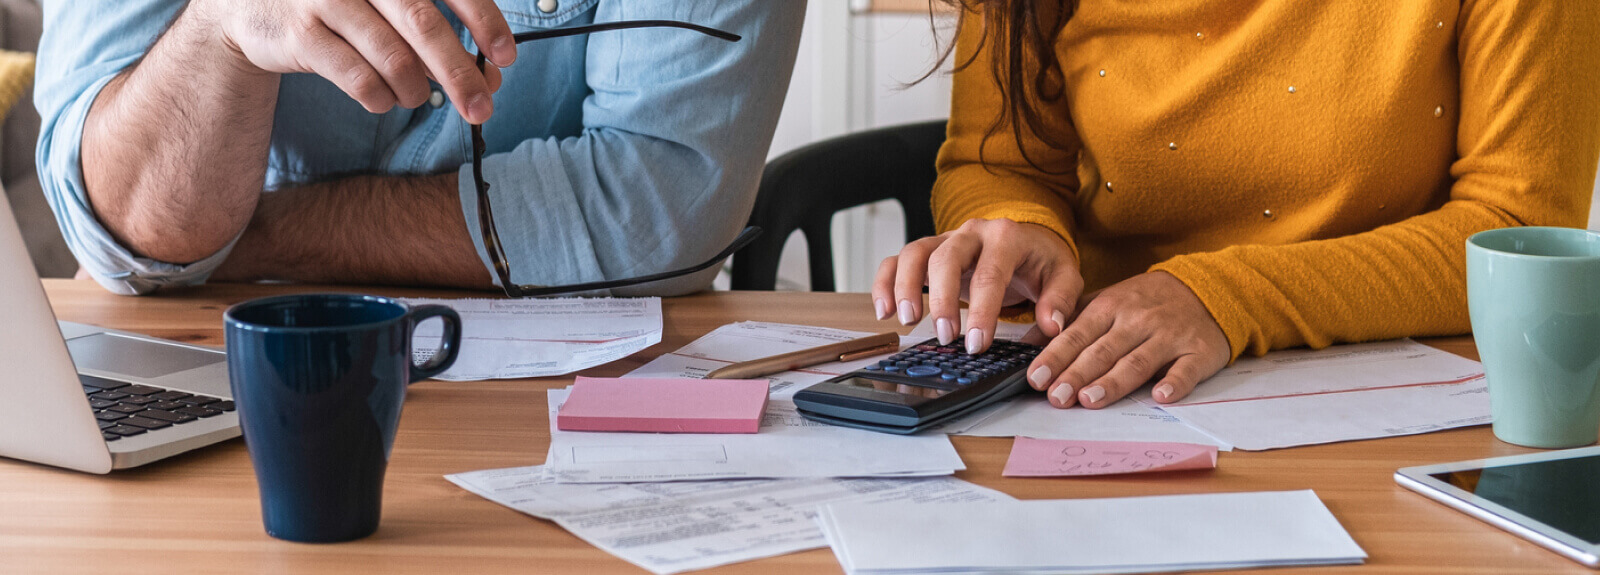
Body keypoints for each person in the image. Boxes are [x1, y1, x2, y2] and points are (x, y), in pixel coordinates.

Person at [874, 1, 1600, 409]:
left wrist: (1221, 297)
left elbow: (1521, 231)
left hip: (1392, 406)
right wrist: (1022, 225)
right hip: (1091, 387)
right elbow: (996, 164)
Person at [35, 0, 805, 296]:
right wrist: (223, 28)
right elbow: (130, 224)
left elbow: (663, 210)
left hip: (567, 405)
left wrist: (251, 238)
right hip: (214, 366)